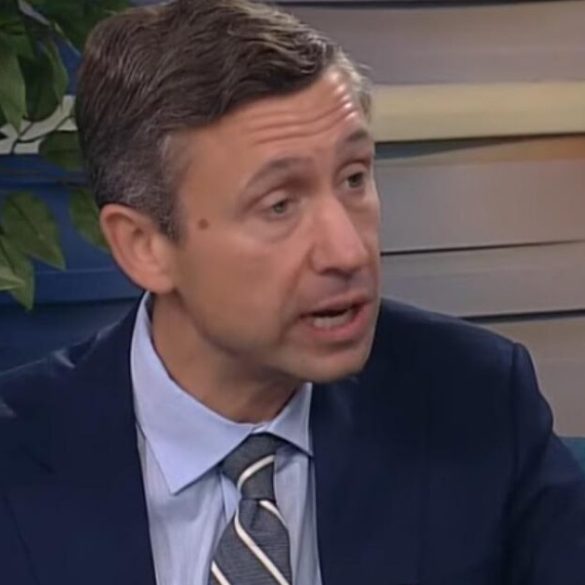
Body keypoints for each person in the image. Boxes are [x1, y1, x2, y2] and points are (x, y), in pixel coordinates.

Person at [1, 1, 584, 583]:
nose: (348, 252)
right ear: (144, 247)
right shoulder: (16, 459)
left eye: (354, 178)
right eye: (279, 205)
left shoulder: (474, 402)